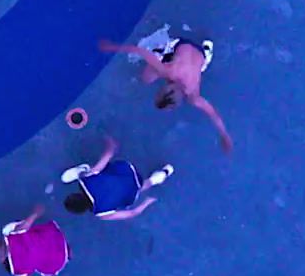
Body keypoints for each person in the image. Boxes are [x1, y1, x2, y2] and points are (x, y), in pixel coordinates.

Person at [98, 37, 233, 152]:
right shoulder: (191, 93)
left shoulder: (171, 75)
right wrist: (111, 47)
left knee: (146, 78)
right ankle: (198, 53)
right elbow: (212, 113)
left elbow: (141, 51)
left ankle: (201, 52)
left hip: (189, 49)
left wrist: (224, 134)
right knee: (150, 76)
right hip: (187, 49)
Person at [60, 136, 173, 220]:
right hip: (126, 170)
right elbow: (107, 155)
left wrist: (147, 202)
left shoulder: (102, 214)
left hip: (133, 190)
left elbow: (132, 213)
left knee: (140, 187)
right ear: (75, 195)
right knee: (93, 172)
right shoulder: (86, 181)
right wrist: (110, 145)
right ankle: (83, 169)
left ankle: (163, 174)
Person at [0, 205, 68, 276]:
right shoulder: (14, 235)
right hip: (53, 236)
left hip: (57, 259)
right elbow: (27, 223)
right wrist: (36, 213)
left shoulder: (17, 270)